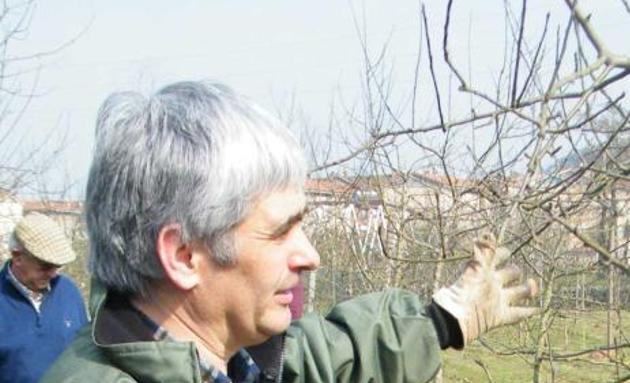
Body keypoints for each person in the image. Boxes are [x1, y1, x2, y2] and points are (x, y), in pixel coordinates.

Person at [41, 81, 539, 383]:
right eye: (280, 232)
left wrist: (440, 320)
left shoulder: (228, 362)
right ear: (184, 254)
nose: (310, 256)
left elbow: (325, 355)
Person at [0, 212, 88, 383]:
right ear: (17, 256)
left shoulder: (69, 291)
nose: (53, 274)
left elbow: (85, 350)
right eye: (45, 266)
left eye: (57, 266)